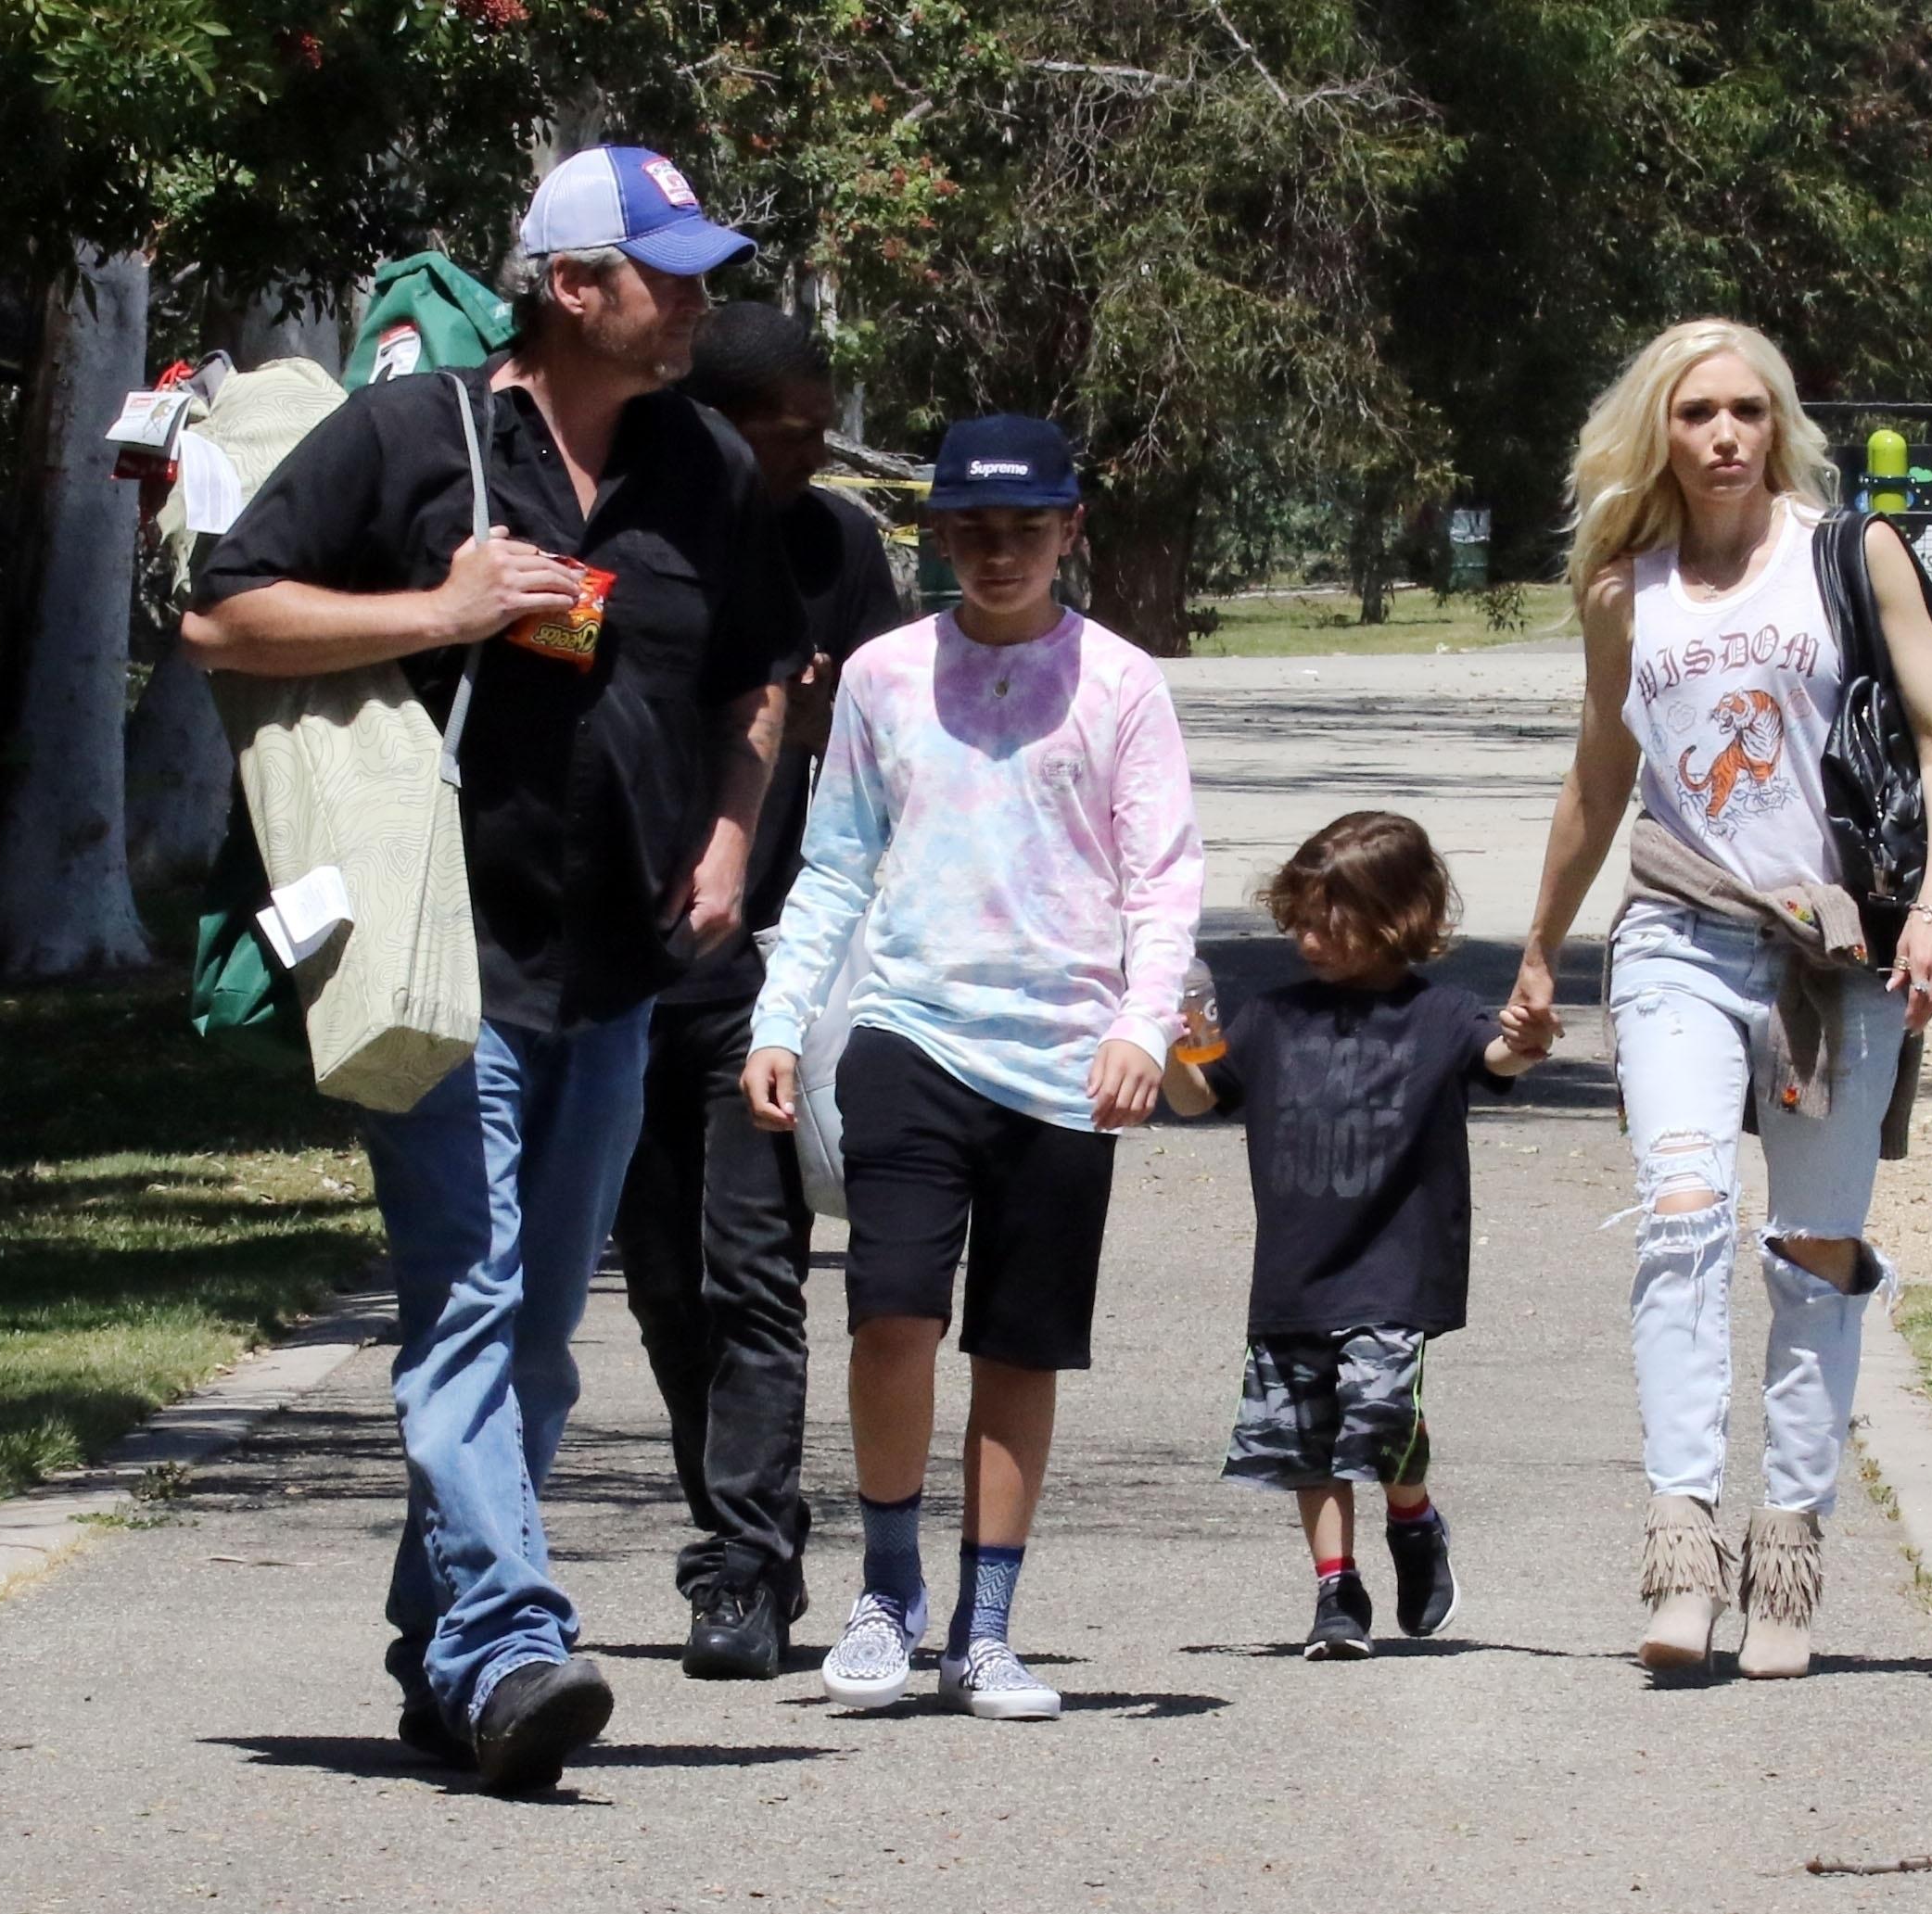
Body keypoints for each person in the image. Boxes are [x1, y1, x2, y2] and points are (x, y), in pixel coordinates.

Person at [181, 146, 798, 1791]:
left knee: (531, 1330)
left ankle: (440, 1658)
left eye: (698, 270)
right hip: (439, 957)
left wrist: (732, 841)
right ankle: (516, 1637)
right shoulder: (411, 438)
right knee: (466, 1298)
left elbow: (756, 679)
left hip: (616, 972)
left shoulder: (704, 464)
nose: (694, 298)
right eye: (663, 270)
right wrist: (439, 610)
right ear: (568, 285)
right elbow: (221, 620)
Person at [1506, 318, 1932, 1679]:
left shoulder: (1850, 554)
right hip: (1675, 934)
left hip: (1836, 961)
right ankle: (1678, 1548)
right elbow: (1601, 775)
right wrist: (1541, 946)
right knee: (1681, 1214)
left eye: (1747, 411)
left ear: (1777, 424)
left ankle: (1789, 1550)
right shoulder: (1624, 588)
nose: (1724, 436)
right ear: (1657, 428)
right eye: (1698, 412)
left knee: (1812, 1252)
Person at [743, 413, 1203, 1722]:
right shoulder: (885, 675)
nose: (996, 552)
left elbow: (1163, 880)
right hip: (909, 1032)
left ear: (1070, 532)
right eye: (971, 529)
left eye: (1024, 527)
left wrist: (1141, 1025)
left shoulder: (1121, 685)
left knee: (1019, 1342)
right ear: (937, 537)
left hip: (1065, 1057)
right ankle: (884, 1595)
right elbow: (833, 861)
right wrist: (779, 1018)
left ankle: (985, 1629)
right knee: (892, 1311)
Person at [613, 304, 905, 1681]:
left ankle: (741, 1566)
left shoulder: (835, 549)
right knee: (665, 1286)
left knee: (751, 1273)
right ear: (723, 425)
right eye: (795, 430)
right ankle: (753, 1521)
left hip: (767, 968)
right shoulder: (630, 529)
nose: (816, 450)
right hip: (609, 962)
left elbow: (893, 747)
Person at [1160, 813, 1549, 1658]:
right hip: (1296, 1272)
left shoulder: (1439, 1015)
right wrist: (1170, 1046)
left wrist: (1528, 1042)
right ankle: (1336, 1590)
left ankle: (1411, 1515)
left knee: (1376, 1414)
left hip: (1395, 1264)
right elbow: (1198, 1098)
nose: (1304, 937)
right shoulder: (1269, 1017)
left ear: (1394, 916)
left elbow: (1498, 1060)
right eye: (1297, 917)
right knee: (1306, 1440)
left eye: (1326, 921)